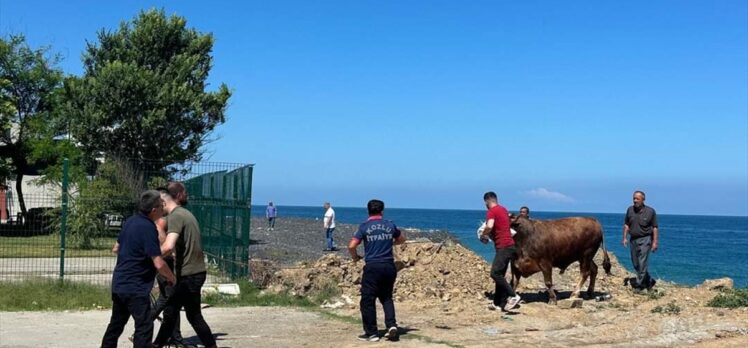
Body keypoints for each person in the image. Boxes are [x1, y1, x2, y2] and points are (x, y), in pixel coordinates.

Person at [101, 190, 176, 348]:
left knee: (116, 325)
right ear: (154, 210)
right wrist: (172, 278)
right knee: (144, 326)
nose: (163, 210)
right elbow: (158, 262)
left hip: (120, 283)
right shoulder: (149, 228)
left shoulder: (130, 221)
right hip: (135, 287)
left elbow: (116, 248)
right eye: (161, 207)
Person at [153, 182, 216, 348]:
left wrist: (149, 257)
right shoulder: (185, 214)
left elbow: (168, 246)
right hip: (195, 272)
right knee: (193, 316)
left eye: (157, 207)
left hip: (189, 275)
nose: (158, 211)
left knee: (172, 311)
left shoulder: (176, 216)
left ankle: (157, 345)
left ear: (163, 203)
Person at [348, 199, 406, 342]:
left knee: (368, 300)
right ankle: (391, 325)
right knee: (386, 297)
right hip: (389, 266)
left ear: (368, 211)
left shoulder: (364, 227)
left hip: (373, 266)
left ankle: (372, 333)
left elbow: (351, 245)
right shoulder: (390, 225)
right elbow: (402, 239)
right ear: (382, 211)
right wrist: (389, 242)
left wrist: (355, 257)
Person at [147, 187, 183, 345]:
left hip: (163, 260)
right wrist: (170, 250)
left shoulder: (159, 218)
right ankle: (145, 326)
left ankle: (175, 335)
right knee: (169, 298)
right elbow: (162, 238)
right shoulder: (162, 219)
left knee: (169, 298)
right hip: (164, 261)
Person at [479, 192, 521, 312]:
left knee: (495, 274)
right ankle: (497, 303)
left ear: (487, 201)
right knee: (500, 275)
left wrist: (484, 234)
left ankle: (513, 296)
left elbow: (490, 225)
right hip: (510, 246)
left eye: (485, 203)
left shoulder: (492, 211)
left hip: (504, 247)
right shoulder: (503, 209)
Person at [622, 190, 659, 291]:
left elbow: (655, 227)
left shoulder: (651, 211)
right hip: (633, 239)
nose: (635, 200)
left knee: (642, 262)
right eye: (634, 198)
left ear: (643, 199)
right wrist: (624, 238)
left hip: (645, 239)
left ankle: (639, 285)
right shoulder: (630, 210)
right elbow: (626, 224)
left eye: (637, 199)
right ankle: (649, 280)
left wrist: (655, 242)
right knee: (636, 263)